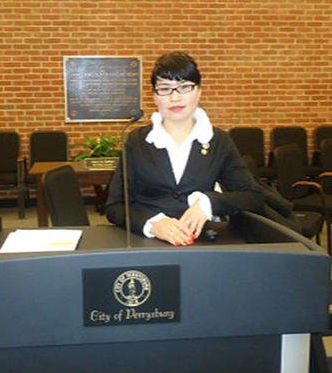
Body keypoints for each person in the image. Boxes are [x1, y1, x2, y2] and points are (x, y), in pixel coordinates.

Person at [105, 52, 266, 245]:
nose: (175, 97)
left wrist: (208, 203)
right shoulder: (137, 141)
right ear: (154, 96)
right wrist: (152, 223)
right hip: (147, 244)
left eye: (185, 87)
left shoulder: (218, 141)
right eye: (165, 89)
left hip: (199, 244)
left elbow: (253, 196)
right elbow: (115, 206)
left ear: (199, 91)